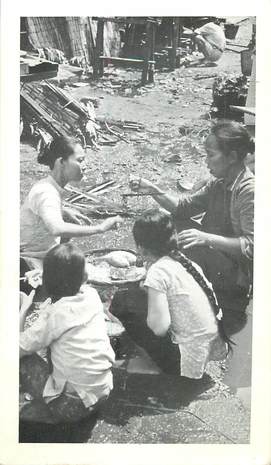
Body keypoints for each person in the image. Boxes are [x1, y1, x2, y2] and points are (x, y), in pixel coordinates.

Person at [129, 121, 254, 331]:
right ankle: (172, 284)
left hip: (235, 275)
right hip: (217, 258)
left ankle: (171, 290)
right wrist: (152, 189)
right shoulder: (219, 183)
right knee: (174, 223)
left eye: (211, 155)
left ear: (232, 157)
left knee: (187, 239)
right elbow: (182, 208)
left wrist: (206, 238)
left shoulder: (248, 191)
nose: (206, 162)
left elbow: (254, 246)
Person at [110, 210, 228, 379]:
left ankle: (156, 364)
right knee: (139, 298)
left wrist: (149, 312)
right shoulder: (185, 262)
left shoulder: (157, 272)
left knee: (121, 302)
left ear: (141, 248)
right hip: (211, 346)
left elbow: (159, 328)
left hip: (187, 360)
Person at [19, 243, 115, 424]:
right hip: (102, 391)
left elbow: (19, 347)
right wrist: (48, 275)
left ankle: (47, 409)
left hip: (72, 406)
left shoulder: (55, 313)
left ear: (47, 281)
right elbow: (71, 278)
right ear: (84, 277)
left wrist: (24, 308)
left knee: (24, 359)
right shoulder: (92, 295)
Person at [20, 135, 122, 271]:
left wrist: (63, 211)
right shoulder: (46, 192)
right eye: (80, 160)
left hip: (40, 256)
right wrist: (100, 228)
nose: (85, 166)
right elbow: (56, 228)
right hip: (27, 262)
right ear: (61, 162)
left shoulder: (50, 187)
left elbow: (41, 212)